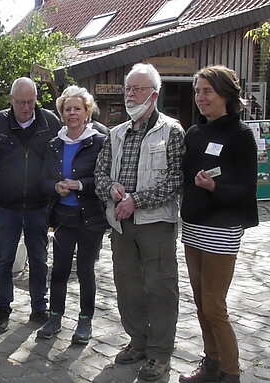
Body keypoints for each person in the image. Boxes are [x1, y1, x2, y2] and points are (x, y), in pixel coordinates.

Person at [93, 63, 185, 382]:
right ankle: (138, 341)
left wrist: (136, 200)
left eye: (137, 89)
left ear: (154, 94)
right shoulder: (116, 133)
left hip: (156, 223)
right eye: (128, 89)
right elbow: (100, 173)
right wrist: (112, 189)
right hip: (121, 224)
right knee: (128, 286)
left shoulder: (171, 130)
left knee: (160, 288)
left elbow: (176, 178)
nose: (130, 95)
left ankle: (160, 354)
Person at [178, 66, 258, 383]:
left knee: (214, 305)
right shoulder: (194, 133)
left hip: (222, 230)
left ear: (226, 93)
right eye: (197, 91)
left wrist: (215, 188)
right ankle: (211, 362)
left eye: (207, 91)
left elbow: (249, 189)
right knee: (200, 303)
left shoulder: (241, 135)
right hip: (194, 229)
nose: (200, 97)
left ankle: (231, 372)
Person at [0, 77, 62, 333]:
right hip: (8, 206)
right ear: (11, 100)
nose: (26, 108)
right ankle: (2, 309)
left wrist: (56, 196)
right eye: (21, 102)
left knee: (39, 259)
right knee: (4, 260)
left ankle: (39, 308)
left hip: (39, 205)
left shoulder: (49, 122)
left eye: (31, 102)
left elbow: (61, 158)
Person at [36, 86, 109, 344]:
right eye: (68, 109)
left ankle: (85, 322)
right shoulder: (55, 144)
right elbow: (43, 180)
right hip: (63, 216)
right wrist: (55, 186)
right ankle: (55, 317)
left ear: (87, 112)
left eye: (78, 108)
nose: (72, 113)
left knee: (86, 270)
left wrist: (80, 184)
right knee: (59, 271)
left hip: (90, 217)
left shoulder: (99, 141)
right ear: (62, 113)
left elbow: (105, 179)